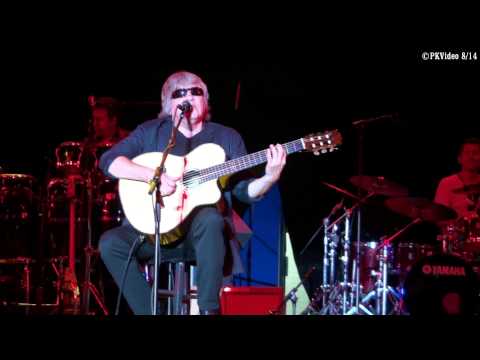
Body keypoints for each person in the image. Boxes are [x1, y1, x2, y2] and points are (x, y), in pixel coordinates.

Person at [98, 71, 287, 315]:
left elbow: (244, 191)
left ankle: (209, 310)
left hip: (203, 239)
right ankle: (152, 311)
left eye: (196, 92)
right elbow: (108, 161)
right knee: (110, 243)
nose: (188, 97)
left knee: (210, 217)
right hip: (154, 235)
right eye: (180, 93)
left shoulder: (226, 137)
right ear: (169, 104)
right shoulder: (150, 132)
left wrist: (269, 178)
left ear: (206, 100)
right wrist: (152, 175)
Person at [434, 138, 480, 219]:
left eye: (475, 153)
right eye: (467, 153)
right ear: (459, 159)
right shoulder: (446, 183)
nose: (471, 157)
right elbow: (439, 216)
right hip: (455, 230)